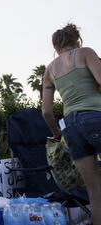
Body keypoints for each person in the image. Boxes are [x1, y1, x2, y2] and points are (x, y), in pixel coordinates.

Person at [42, 23, 101, 224]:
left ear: (55, 46)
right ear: (76, 40)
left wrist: (57, 134)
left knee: (93, 187)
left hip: (72, 127)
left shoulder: (49, 70)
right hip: (96, 117)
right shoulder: (85, 53)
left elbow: (47, 111)